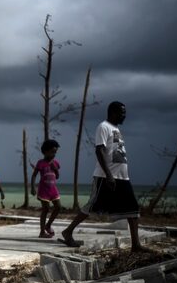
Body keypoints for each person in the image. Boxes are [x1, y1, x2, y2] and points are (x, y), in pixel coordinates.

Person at [60, 101, 146, 252]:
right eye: (122, 112)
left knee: (133, 209)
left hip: (123, 178)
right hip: (106, 177)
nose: (124, 115)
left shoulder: (116, 129)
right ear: (113, 112)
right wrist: (109, 175)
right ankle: (68, 231)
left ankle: (136, 245)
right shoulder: (103, 127)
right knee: (92, 206)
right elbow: (99, 151)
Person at [31, 139, 61, 238]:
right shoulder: (40, 163)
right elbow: (34, 175)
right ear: (45, 151)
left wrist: (55, 169)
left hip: (53, 189)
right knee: (46, 209)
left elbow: (57, 176)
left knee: (58, 207)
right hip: (43, 189)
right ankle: (42, 232)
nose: (54, 154)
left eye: (55, 152)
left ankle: (48, 225)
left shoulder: (55, 163)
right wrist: (32, 187)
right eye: (52, 152)